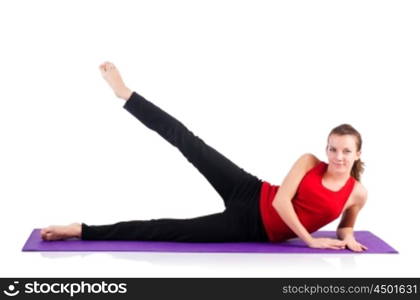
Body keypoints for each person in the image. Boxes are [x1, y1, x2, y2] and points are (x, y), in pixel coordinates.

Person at [40, 62, 369, 252]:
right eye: (333, 148)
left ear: (357, 154)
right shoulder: (310, 161)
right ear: (326, 148)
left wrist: (348, 238)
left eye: (345, 151)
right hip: (252, 191)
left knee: (165, 229)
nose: (337, 156)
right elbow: (282, 202)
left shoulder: (358, 193)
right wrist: (310, 241)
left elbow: (345, 228)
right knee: (189, 142)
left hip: (250, 227)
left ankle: (81, 230)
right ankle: (126, 94)